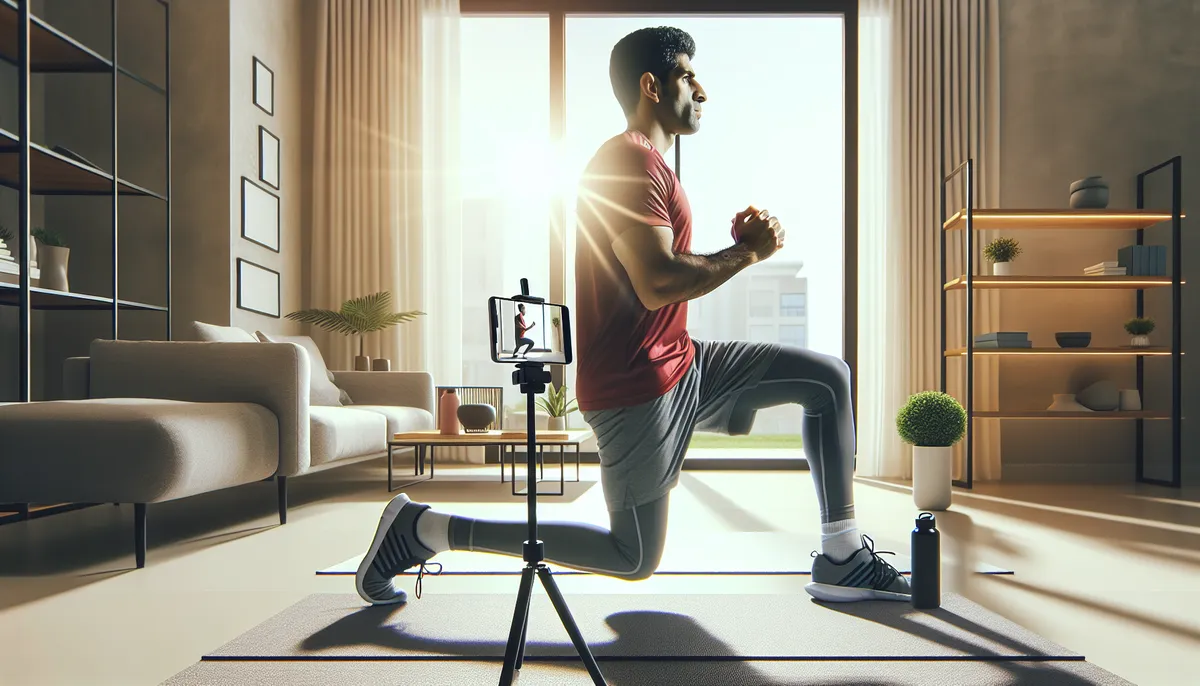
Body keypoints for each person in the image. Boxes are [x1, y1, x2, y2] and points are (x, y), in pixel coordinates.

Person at [355, 26, 910, 607]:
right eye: (687, 76)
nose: (702, 90)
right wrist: (747, 252)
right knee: (633, 556)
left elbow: (660, 270)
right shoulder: (626, 161)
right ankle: (422, 530)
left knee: (828, 380)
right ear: (651, 85)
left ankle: (842, 557)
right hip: (635, 385)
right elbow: (657, 282)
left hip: (682, 362)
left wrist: (738, 246)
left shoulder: (651, 165)